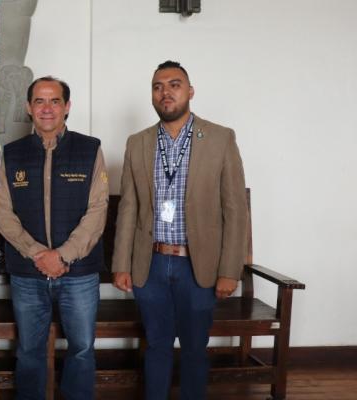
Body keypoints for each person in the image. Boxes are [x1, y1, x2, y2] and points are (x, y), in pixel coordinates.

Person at [112, 60, 248, 399]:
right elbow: (129, 207)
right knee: (156, 346)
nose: (165, 92)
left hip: (198, 267)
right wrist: (121, 264)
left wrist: (230, 270)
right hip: (152, 263)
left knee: (194, 349)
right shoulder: (137, 143)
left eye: (174, 84)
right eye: (157, 86)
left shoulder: (219, 138)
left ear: (190, 91)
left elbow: (235, 209)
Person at [0, 76, 109, 400]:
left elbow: (98, 209)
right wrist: (37, 254)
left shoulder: (90, 149)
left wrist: (63, 255)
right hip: (28, 275)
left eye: (55, 101)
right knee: (29, 350)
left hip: (79, 274)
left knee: (82, 349)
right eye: (40, 101)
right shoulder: (12, 153)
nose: (47, 108)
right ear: (29, 108)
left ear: (67, 107)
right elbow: (4, 214)